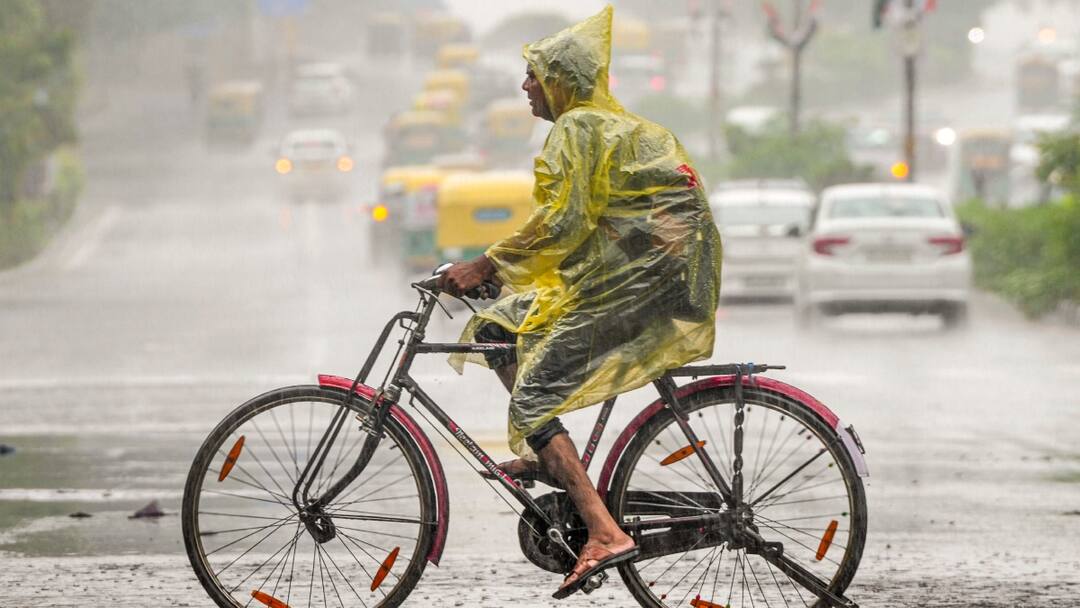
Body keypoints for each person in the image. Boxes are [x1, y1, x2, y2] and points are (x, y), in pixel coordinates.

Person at [437, 6, 723, 599]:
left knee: (534, 397)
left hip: (646, 282)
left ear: (561, 81)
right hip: (648, 275)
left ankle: (603, 532)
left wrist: (486, 265)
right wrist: (507, 277)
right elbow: (592, 223)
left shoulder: (580, 128)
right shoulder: (602, 126)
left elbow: (563, 223)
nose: (524, 86)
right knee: (497, 330)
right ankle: (551, 457)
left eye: (534, 75)